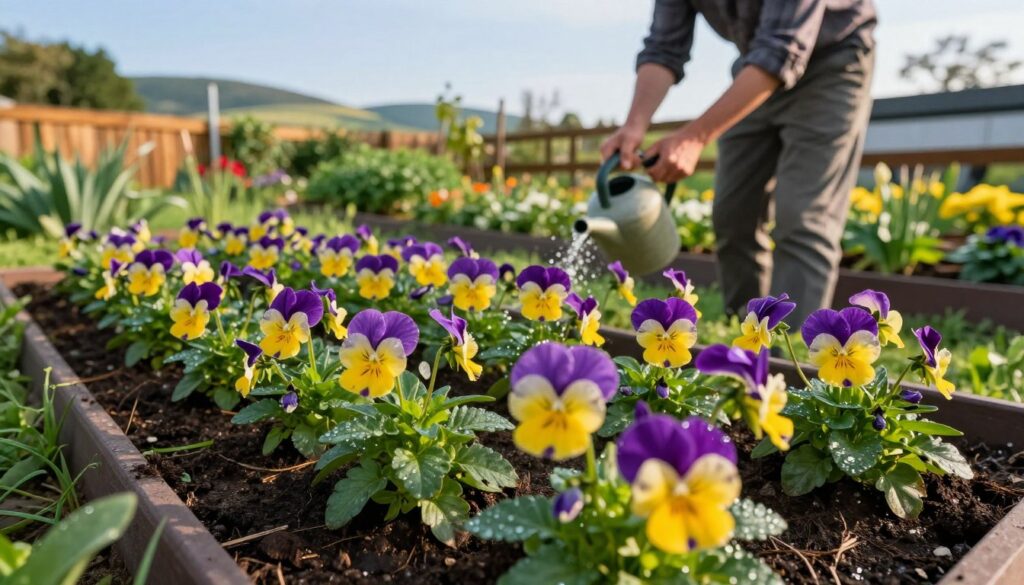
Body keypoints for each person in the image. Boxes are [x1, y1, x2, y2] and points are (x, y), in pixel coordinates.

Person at [601, 0, 876, 326]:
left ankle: (792, 351)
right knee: (733, 215)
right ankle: (747, 334)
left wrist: (694, 137)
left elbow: (781, 49)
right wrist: (634, 125)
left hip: (832, 64)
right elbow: (663, 47)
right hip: (754, 68)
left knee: (803, 218)